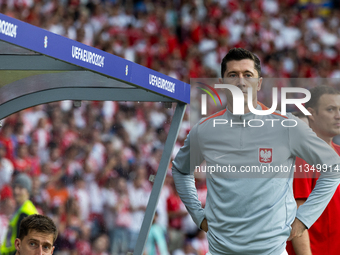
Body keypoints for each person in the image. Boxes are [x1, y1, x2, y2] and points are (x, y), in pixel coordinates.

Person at [172, 48, 340, 255]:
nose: (241, 81)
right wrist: (199, 216)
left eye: (248, 75)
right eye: (232, 75)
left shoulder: (286, 126)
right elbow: (180, 170)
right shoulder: (204, 130)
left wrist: (304, 219)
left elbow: (333, 168)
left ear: (259, 83)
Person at [287, 86, 340, 255]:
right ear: (311, 114)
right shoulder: (300, 157)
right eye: (331, 109)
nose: (338, 115)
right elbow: (297, 219)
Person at [1, 173, 39, 255]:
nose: (16, 191)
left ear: (28, 191)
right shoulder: (21, 209)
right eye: (14, 187)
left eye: (20, 188)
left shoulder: (25, 212)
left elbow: (22, 244)